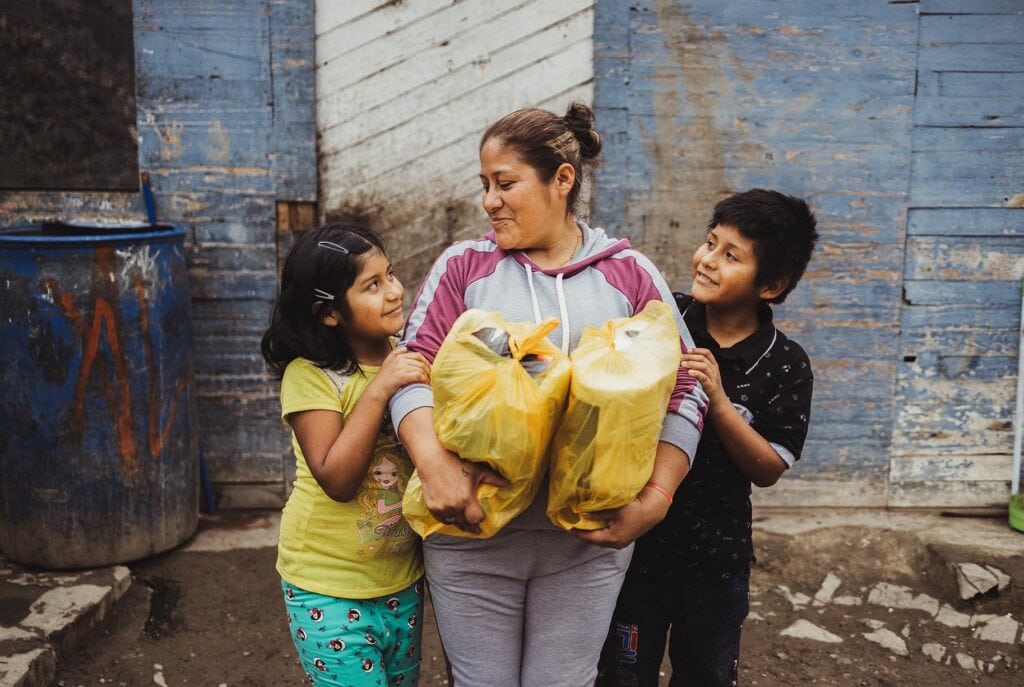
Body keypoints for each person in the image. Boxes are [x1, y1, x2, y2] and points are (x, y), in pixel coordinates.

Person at [388, 102, 708, 686]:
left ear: (563, 178)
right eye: (484, 185)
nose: (490, 200)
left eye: (505, 183)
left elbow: (687, 389)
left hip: (585, 546)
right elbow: (410, 371)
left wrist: (656, 498)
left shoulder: (630, 274)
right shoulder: (465, 269)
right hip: (471, 536)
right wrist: (434, 465)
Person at [598, 189, 818, 686]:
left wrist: (718, 403)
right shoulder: (663, 319)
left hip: (716, 565)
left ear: (772, 284)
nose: (708, 261)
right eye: (710, 243)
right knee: (624, 675)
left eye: (731, 255)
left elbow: (768, 468)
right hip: (639, 549)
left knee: (705, 676)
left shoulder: (785, 363)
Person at [260, 223, 431, 686]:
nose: (394, 291)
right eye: (372, 285)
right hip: (327, 587)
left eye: (390, 274)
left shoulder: (409, 356)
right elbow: (335, 480)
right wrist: (381, 389)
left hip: (400, 581)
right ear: (329, 313)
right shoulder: (311, 375)